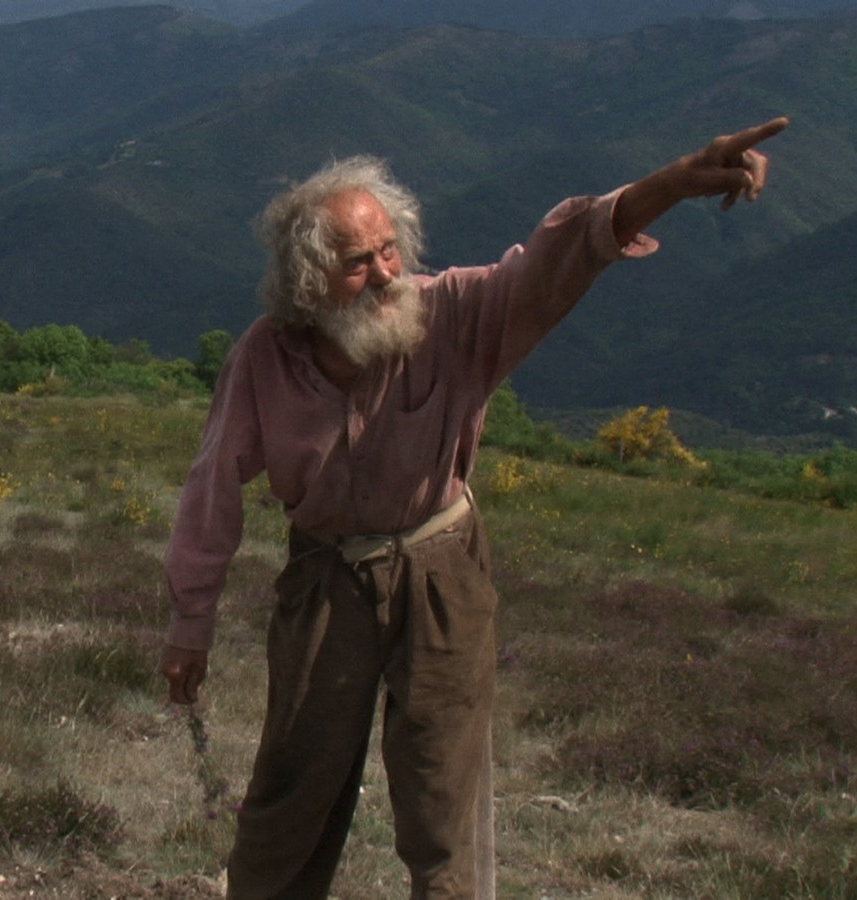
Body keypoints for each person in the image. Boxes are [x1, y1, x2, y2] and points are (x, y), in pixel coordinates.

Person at [159, 118, 789, 899]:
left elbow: (557, 260)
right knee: (292, 794)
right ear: (307, 282)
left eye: (390, 248)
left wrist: (673, 183)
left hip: (441, 577)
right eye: (358, 263)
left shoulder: (453, 314)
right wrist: (192, 624)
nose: (386, 273)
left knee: (443, 801)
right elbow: (213, 486)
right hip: (325, 581)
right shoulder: (266, 357)